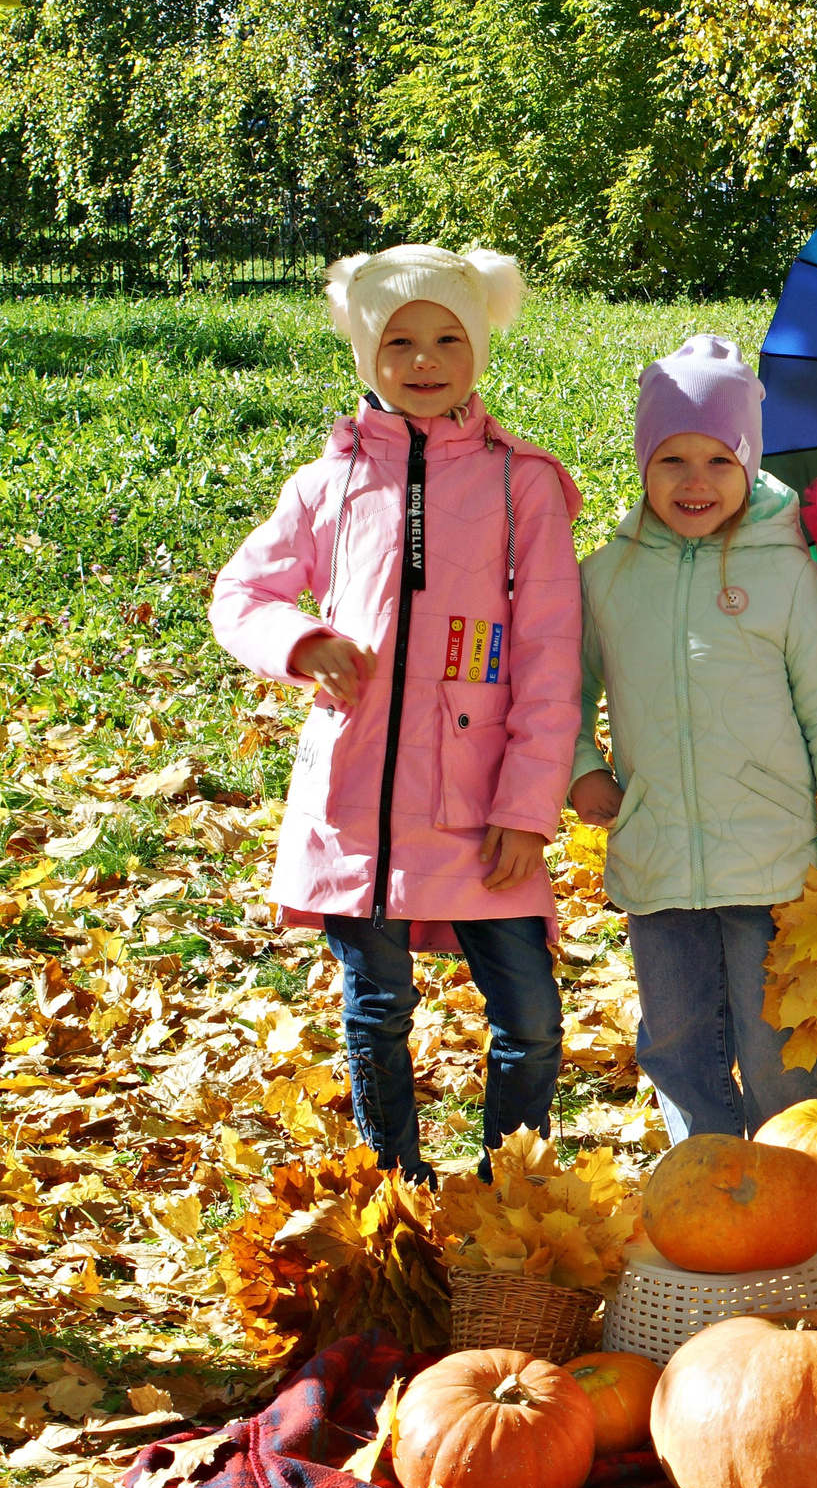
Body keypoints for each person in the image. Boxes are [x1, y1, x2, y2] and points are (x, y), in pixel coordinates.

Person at [211, 245, 580, 1185]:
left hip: (481, 800)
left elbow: (546, 654)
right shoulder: (325, 484)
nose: (424, 359)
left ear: (480, 343)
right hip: (359, 801)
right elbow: (241, 595)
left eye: (448, 336)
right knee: (377, 1011)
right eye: (399, 339)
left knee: (530, 1017)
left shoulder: (521, 483)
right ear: (365, 350)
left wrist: (527, 807)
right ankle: (396, 1193)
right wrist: (301, 642)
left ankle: (513, 1193)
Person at [568, 335, 817, 1143]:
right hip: (655, 857)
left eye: (718, 459)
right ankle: (707, 1171)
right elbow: (561, 692)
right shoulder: (606, 576)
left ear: (749, 465)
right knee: (674, 1040)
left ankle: (789, 1170)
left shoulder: (787, 574)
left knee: (776, 1042)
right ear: (643, 465)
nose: (696, 481)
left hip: (774, 864)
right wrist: (582, 769)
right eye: (672, 459)